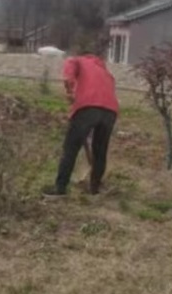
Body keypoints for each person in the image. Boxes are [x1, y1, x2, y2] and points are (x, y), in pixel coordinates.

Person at [43, 40, 119, 197]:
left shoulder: (77, 60)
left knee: (70, 148)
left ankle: (60, 189)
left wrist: (70, 92)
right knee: (100, 151)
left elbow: (69, 74)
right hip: (110, 111)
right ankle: (95, 189)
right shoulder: (104, 71)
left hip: (87, 107)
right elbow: (110, 87)